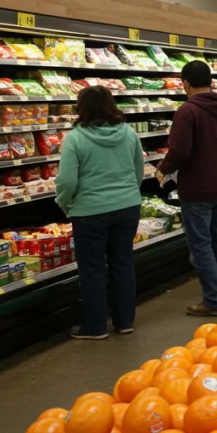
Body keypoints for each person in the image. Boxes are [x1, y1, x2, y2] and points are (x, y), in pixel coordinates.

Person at [55, 86, 145, 339]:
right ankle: (125, 322)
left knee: (92, 270)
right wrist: (127, 193)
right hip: (127, 207)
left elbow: (67, 180)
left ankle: (95, 328)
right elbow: (138, 170)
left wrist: (64, 202)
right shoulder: (129, 133)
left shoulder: (75, 138)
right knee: (123, 264)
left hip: (89, 211)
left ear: (81, 107)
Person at [158, 60, 217, 317]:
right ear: (210, 82)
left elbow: (179, 150)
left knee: (201, 246)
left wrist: (163, 168)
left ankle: (214, 300)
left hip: (198, 189)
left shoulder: (187, 111)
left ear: (185, 84)